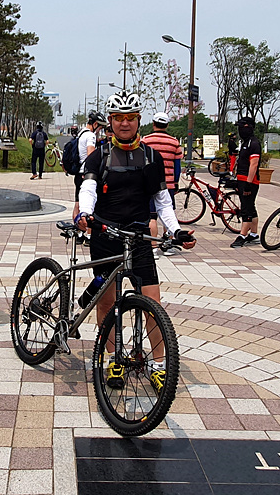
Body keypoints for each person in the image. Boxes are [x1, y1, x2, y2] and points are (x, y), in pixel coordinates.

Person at [75, 92, 195, 390]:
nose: (125, 123)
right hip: (106, 236)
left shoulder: (151, 156)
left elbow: (162, 200)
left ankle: (158, 365)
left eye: (130, 117)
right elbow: (88, 189)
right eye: (119, 118)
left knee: (153, 304)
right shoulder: (99, 155)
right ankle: (112, 360)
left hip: (139, 237)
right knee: (107, 303)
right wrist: (86, 213)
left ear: (139, 120)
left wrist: (175, 230)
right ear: (110, 121)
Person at [141, 113, 183, 253]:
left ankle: (153, 247)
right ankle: (168, 245)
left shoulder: (146, 141)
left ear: (153, 124)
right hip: (168, 183)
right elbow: (177, 167)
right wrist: (175, 182)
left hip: (149, 185)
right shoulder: (174, 142)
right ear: (167, 125)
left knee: (152, 216)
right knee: (168, 213)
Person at [228, 116, 263, 248]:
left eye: (242, 127)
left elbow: (254, 164)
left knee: (246, 209)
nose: (240, 130)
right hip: (241, 179)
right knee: (250, 207)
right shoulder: (245, 142)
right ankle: (253, 234)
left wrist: (248, 184)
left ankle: (242, 235)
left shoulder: (253, 143)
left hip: (250, 181)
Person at [71, 112, 104, 217]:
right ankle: (84, 227)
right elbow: (91, 156)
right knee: (87, 206)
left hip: (78, 171)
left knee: (77, 204)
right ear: (95, 124)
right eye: (100, 128)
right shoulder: (90, 136)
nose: (99, 131)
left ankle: (76, 225)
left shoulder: (82, 133)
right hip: (85, 174)